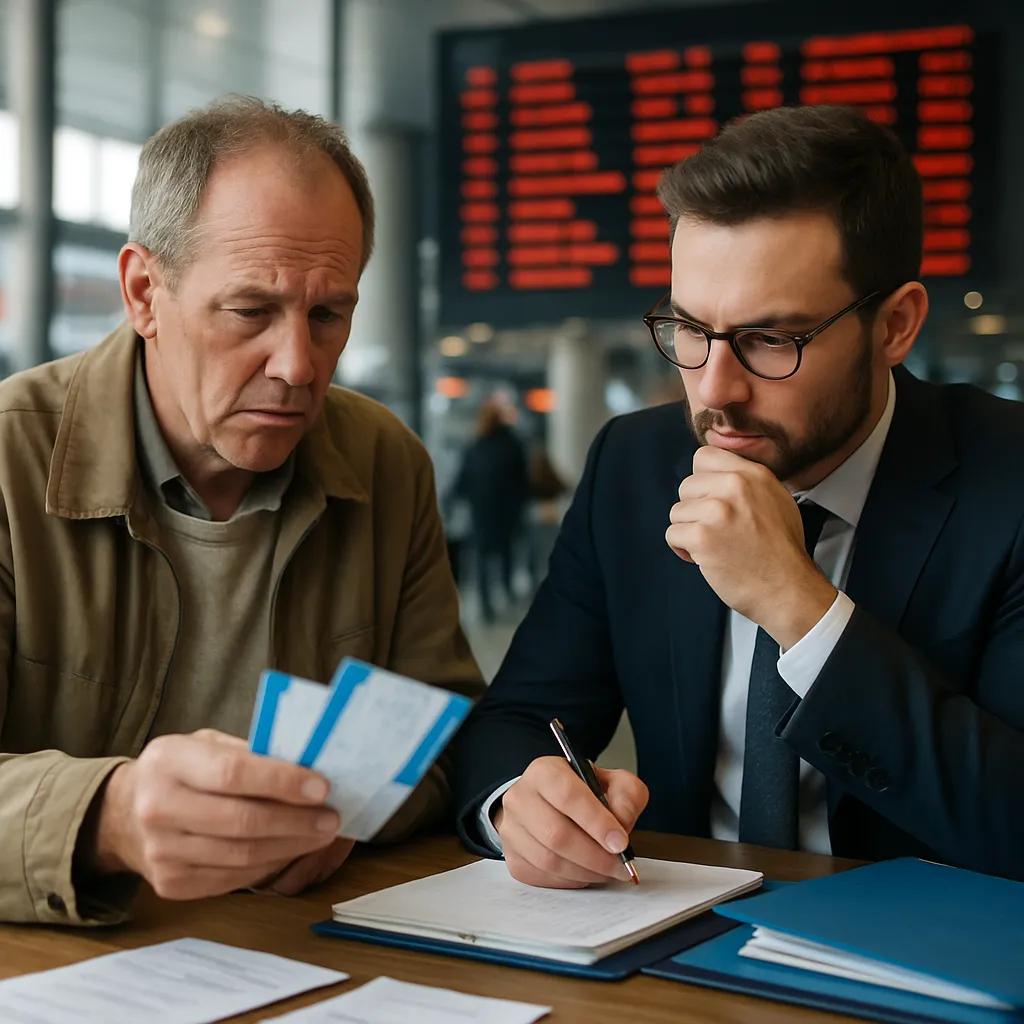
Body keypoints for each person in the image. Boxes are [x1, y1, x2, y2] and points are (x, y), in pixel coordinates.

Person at [449, 104, 1024, 888]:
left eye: (769, 339)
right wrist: (522, 801)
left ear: (895, 326)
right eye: (690, 328)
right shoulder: (636, 463)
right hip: (677, 945)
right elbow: (517, 718)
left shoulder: (1009, 480)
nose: (713, 392)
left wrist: (799, 605)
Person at [0, 96, 482, 926]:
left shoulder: (385, 462)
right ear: (145, 292)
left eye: (328, 314)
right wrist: (106, 818)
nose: (298, 366)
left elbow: (446, 743)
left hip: (305, 945)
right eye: (252, 311)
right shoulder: (9, 462)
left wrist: (347, 817)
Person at [453, 397, 530, 623]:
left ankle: (486, 606)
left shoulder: (476, 445)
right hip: (508, 512)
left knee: (483, 558)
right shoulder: (513, 444)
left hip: (482, 513)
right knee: (506, 554)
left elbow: (463, 482)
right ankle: (507, 595)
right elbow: (523, 481)